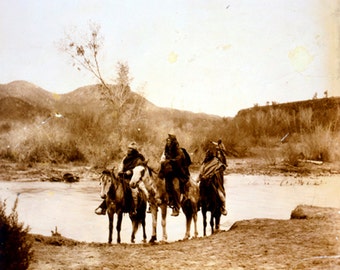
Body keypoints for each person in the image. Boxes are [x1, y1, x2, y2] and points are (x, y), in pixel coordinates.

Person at [95, 142, 149, 216]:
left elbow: (138, 168)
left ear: (134, 150)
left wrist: (129, 172)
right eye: (128, 148)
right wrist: (120, 171)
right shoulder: (125, 158)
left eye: (130, 149)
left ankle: (134, 208)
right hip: (122, 177)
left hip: (133, 178)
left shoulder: (138, 159)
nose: (128, 150)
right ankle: (103, 207)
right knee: (112, 188)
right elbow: (121, 166)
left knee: (133, 192)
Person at [159, 134, 191, 216]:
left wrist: (169, 161)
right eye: (167, 140)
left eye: (170, 141)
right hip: (169, 172)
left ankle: (177, 208)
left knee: (176, 187)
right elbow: (163, 158)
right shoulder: (166, 149)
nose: (168, 142)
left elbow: (178, 160)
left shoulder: (178, 150)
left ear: (173, 142)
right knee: (163, 185)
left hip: (179, 172)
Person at [197, 140, 228, 216]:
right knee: (197, 192)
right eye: (207, 155)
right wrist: (197, 180)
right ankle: (197, 206)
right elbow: (200, 173)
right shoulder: (204, 164)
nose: (207, 156)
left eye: (208, 155)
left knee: (221, 195)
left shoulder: (217, 162)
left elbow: (224, 162)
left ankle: (223, 207)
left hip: (214, 182)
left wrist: (220, 148)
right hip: (204, 182)